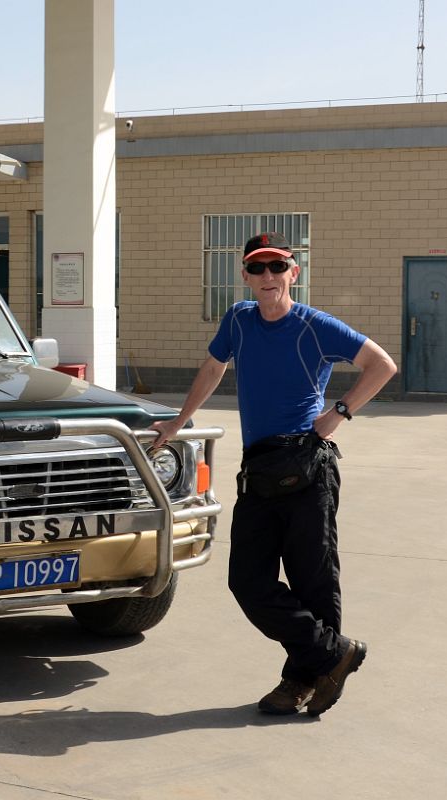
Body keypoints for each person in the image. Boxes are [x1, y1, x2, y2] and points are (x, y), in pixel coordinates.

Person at [151, 231, 397, 716]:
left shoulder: (313, 325)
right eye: (258, 268)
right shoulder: (239, 320)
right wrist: (180, 421)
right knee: (247, 581)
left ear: (294, 273)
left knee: (313, 580)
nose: (268, 277)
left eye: (277, 267)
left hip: (307, 465)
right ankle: (333, 655)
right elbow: (212, 369)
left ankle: (300, 682)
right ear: (244, 275)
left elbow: (381, 365)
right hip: (260, 467)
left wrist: (338, 414)